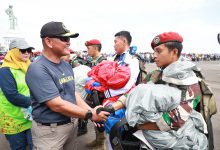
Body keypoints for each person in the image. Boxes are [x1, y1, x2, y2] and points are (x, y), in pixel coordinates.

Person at [110, 32, 208, 149]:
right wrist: (112, 108)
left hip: (178, 136)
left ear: (174, 52)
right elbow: (133, 94)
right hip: (152, 130)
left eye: (159, 51)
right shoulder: (155, 75)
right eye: (154, 51)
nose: (154, 55)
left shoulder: (189, 80)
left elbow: (176, 120)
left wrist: (137, 126)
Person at [25, 21, 109, 150]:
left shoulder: (65, 65)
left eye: (69, 38)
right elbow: (56, 104)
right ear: (48, 41)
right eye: (64, 38)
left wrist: (91, 111)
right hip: (50, 132)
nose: (68, 42)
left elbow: (72, 93)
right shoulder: (38, 68)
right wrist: (90, 114)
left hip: (71, 125)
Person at [104, 31, 140, 150]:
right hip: (109, 100)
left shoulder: (133, 59)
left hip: (123, 100)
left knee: (119, 134)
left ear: (124, 41)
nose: (114, 45)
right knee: (109, 133)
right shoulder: (113, 57)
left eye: (115, 41)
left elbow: (129, 84)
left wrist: (106, 92)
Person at [0, 39, 34, 150]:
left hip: (29, 116)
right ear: (13, 52)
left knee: (34, 145)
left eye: (29, 50)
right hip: (13, 118)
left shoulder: (29, 66)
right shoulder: (5, 70)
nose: (27, 53)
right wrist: (37, 102)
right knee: (19, 147)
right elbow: (12, 96)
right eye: (23, 50)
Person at [82, 39, 107, 148]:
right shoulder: (94, 60)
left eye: (89, 48)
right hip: (93, 94)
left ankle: (101, 144)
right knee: (95, 120)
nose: (87, 51)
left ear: (96, 48)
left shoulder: (103, 62)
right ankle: (98, 140)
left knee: (100, 120)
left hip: (99, 96)